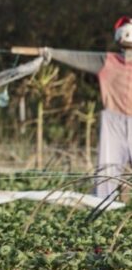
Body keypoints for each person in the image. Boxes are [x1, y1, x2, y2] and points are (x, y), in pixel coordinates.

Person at [40, 17, 132, 197]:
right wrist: (52, 53)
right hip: (113, 122)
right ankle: (105, 212)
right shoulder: (107, 61)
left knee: (107, 172)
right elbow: (77, 57)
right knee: (107, 173)